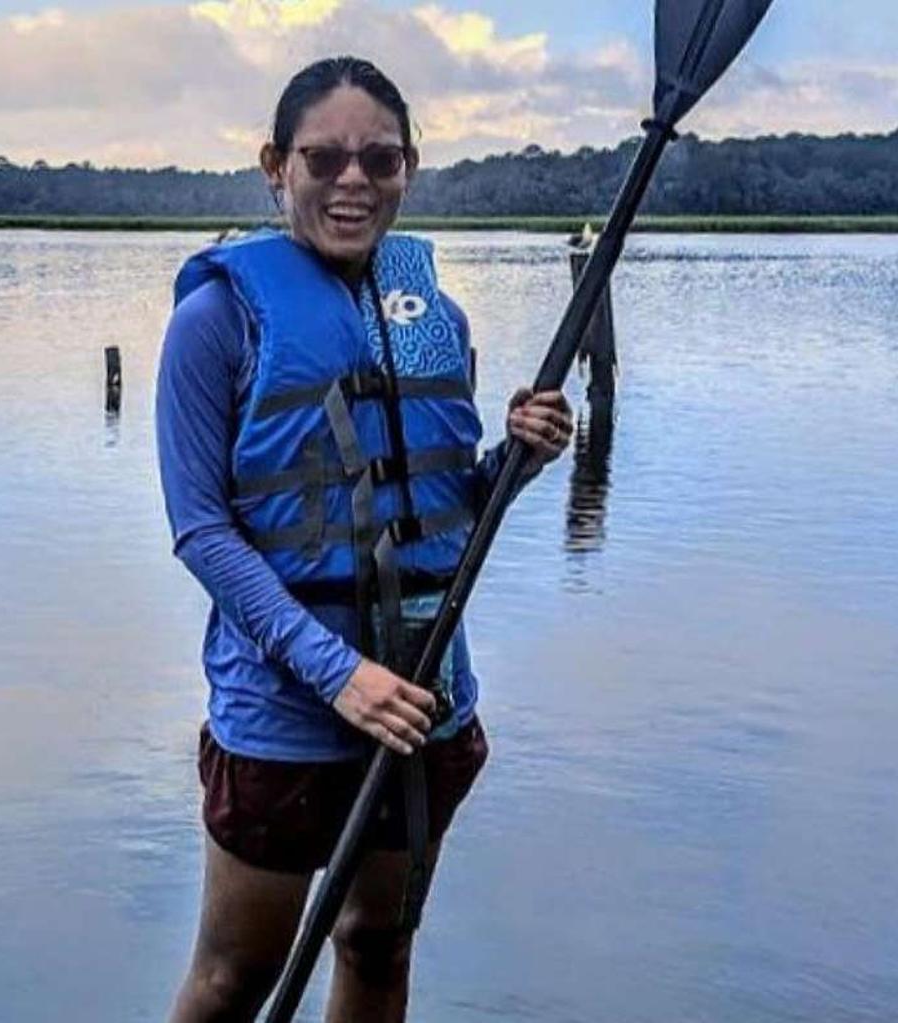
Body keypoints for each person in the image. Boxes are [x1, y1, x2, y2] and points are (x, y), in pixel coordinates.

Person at [156, 55, 574, 1023]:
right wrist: (334, 671)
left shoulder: (433, 319)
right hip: (284, 711)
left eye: (378, 161)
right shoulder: (215, 320)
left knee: (377, 947)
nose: (353, 182)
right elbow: (202, 532)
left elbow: (437, 514)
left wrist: (514, 459)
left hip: (420, 695)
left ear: (409, 168)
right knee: (233, 978)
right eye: (324, 158)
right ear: (274, 165)